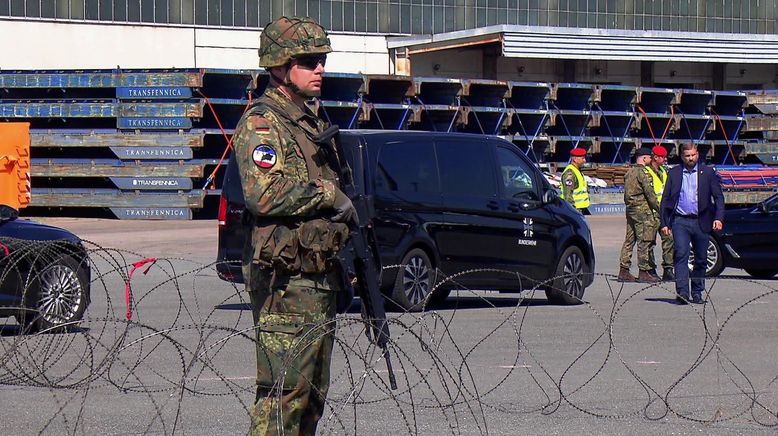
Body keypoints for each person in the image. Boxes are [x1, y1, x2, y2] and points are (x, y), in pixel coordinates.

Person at [233, 16, 357, 435]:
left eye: (321, 60)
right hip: (285, 282)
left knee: (312, 395)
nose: (319, 68)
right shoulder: (263, 123)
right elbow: (263, 193)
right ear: (281, 67)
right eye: (308, 61)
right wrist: (327, 195)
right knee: (283, 394)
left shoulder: (311, 125)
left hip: (317, 276)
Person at [660, 142, 725, 304]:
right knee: (681, 254)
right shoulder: (674, 173)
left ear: (697, 155)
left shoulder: (708, 173)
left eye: (693, 155)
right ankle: (682, 292)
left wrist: (718, 217)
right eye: (687, 156)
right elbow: (666, 200)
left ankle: (697, 292)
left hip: (701, 220)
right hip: (680, 221)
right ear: (682, 156)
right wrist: (664, 223)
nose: (691, 158)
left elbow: (718, 197)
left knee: (701, 258)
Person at [618, 147, 661, 283]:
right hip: (642, 210)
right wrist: (659, 209)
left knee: (629, 240)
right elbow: (650, 194)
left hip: (630, 209)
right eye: (649, 157)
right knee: (644, 240)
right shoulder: (643, 173)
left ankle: (623, 269)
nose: (651, 159)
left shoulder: (629, 172)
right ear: (644, 158)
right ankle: (644, 271)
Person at [645, 145, 674, 281]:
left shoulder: (663, 171)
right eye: (662, 157)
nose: (664, 159)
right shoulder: (646, 172)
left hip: (664, 212)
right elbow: (650, 195)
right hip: (651, 212)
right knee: (650, 242)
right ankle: (651, 269)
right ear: (655, 157)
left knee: (668, 240)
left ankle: (668, 268)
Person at [561, 147, 591, 215]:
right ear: (574, 159)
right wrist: (572, 212)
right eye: (582, 158)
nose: (585, 160)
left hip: (581, 209)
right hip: (575, 210)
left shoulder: (577, 171)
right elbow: (568, 195)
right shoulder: (570, 173)